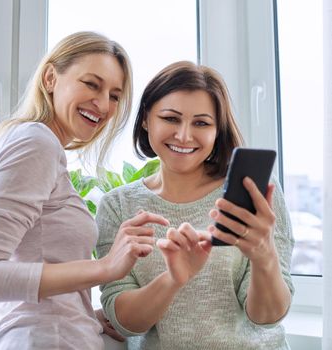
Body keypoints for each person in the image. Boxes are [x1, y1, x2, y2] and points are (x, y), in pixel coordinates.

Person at [0, 31, 169, 350]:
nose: (103, 105)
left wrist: (84, 312)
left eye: (114, 95)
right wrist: (105, 267)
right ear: (50, 78)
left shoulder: (33, 143)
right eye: (91, 84)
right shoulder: (35, 143)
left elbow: (33, 266)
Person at [96, 61, 295, 350]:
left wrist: (264, 254)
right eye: (170, 118)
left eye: (201, 123)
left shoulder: (254, 197)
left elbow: (267, 318)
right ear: (145, 120)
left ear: (217, 132)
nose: (184, 135)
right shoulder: (118, 206)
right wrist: (174, 278)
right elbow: (127, 322)